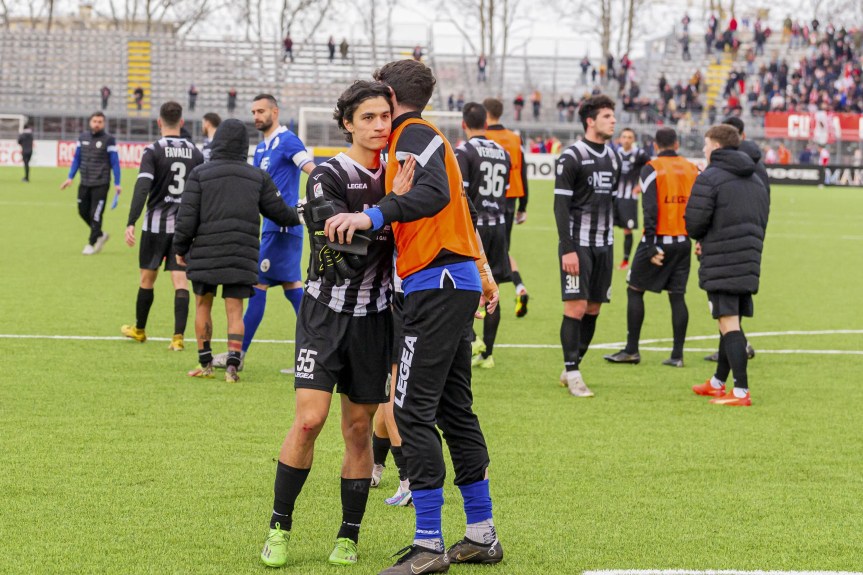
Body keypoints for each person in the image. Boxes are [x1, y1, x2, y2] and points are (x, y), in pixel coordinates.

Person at [325, 58, 503, 575]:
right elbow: (459, 206)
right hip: (453, 279)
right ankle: (481, 534)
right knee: (454, 411)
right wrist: (483, 270)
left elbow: (435, 196)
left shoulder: (411, 132)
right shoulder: (425, 136)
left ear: (388, 94)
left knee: (410, 413)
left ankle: (429, 545)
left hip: (436, 283)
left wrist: (372, 213)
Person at [259, 80, 415, 569]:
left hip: (376, 320)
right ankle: (279, 528)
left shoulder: (404, 172)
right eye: (366, 118)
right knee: (309, 420)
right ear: (347, 123)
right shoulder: (327, 174)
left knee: (357, 429)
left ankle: (348, 536)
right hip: (324, 314)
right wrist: (391, 208)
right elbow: (342, 254)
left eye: (384, 117)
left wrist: (381, 212)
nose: (378, 127)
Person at [172, 119, 301, 383]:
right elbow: (281, 214)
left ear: (218, 141)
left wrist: (180, 248)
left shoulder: (200, 173)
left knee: (202, 304)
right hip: (241, 254)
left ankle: (206, 364)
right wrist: (303, 211)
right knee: (234, 309)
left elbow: (187, 218)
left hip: (206, 251)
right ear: (245, 145)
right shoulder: (257, 176)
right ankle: (232, 366)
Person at [211, 94, 315, 373]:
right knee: (292, 289)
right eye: (253, 112)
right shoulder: (260, 149)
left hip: (283, 227)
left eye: (261, 111)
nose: (256, 116)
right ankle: (315, 353)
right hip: (271, 227)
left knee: (258, 288)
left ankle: (239, 354)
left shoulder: (288, 141)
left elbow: (312, 170)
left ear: (275, 112)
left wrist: (314, 201)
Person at [686, 125, 769, 407]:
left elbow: (694, 222)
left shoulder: (710, 177)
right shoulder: (757, 177)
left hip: (721, 257)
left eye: (706, 145)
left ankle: (741, 391)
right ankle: (718, 382)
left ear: (717, 147)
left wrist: (703, 239)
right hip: (748, 256)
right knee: (731, 319)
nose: (704, 150)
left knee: (727, 321)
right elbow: (762, 218)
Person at [603, 127, 699, 367]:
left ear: (655, 146)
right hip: (683, 241)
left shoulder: (652, 168)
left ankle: (632, 350)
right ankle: (677, 355)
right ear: (677, 144)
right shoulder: (692, 168)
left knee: (634, 288)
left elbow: (650, 208)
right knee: (677, 296)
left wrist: (652, 243)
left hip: (658, 240)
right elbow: (701, 207)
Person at [121, 101, 204, 349]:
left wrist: (131, 221)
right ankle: (178, 338)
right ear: (181, 122)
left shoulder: (153, 150)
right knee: (180, 281)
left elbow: (143, 186)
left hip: (154, 227)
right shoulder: (196, 152)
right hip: (183, 229)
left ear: (159, 122)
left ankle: (140, 330)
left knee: (147, 279)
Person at [554, 94, 621, 398]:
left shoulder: (615, 157)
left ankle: (572, 366)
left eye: (613, 116)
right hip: (577, 244)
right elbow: (560, 206)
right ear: (590, 121)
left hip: (604, 244)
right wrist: (567, 248)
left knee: (593, 307)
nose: (613, 121)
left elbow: (613, 202)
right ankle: (574, 372)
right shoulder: (572, 156)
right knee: (576, 306)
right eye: (607, 116)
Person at [701, 116, 768, 362]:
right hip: (746, 242)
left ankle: (739, 384)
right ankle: (721, 374)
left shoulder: (728, 170)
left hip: (726, 245)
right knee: (729, 308)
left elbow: (700, 217)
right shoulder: (751, 166)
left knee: (726, 309)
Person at [455, 102, 512, 369]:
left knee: (466, 283)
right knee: (493, 287)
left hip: (474, 228)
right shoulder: (502, 151)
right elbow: (508, 196)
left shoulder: (464, 151)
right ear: (486, 125)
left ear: (464, 124)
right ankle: (487, 353)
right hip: (499, 225)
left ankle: (472, 339)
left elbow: (461, 197)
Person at [483, 97, 530, 317]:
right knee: (503, 250)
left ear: (486, 113)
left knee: (482, 254)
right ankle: (519, 287)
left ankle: (490, 297)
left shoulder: (483, 138)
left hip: (486, 198)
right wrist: (524, 205)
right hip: (510, 198)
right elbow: (522, 171)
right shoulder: (514, 138)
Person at [60, 111, 121, 255]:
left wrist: (117, 183)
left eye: (100, 122)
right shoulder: (82, 138)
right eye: (95, 121)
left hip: (101, 183)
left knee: (95, 214)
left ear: (104, 123)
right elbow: (77, 159)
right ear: (90, 122)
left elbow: (115, 162)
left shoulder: (109, 140)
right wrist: (70, 177)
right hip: (85, 182)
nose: (97, 124)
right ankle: (100, 234)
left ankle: (91, 243)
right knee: (82, 211)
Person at [612, 127, 651, 270]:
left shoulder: (640, 154)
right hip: (614, 197)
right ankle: (605, 259)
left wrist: (641, 185)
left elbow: (651, 169)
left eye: (629, 137)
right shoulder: (615, 153)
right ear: (620, 139)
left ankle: (625, 261)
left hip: (629, 198)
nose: (626, 139)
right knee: (606, 227)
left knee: (627, 230)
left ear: (633, 139)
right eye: (624, 137)